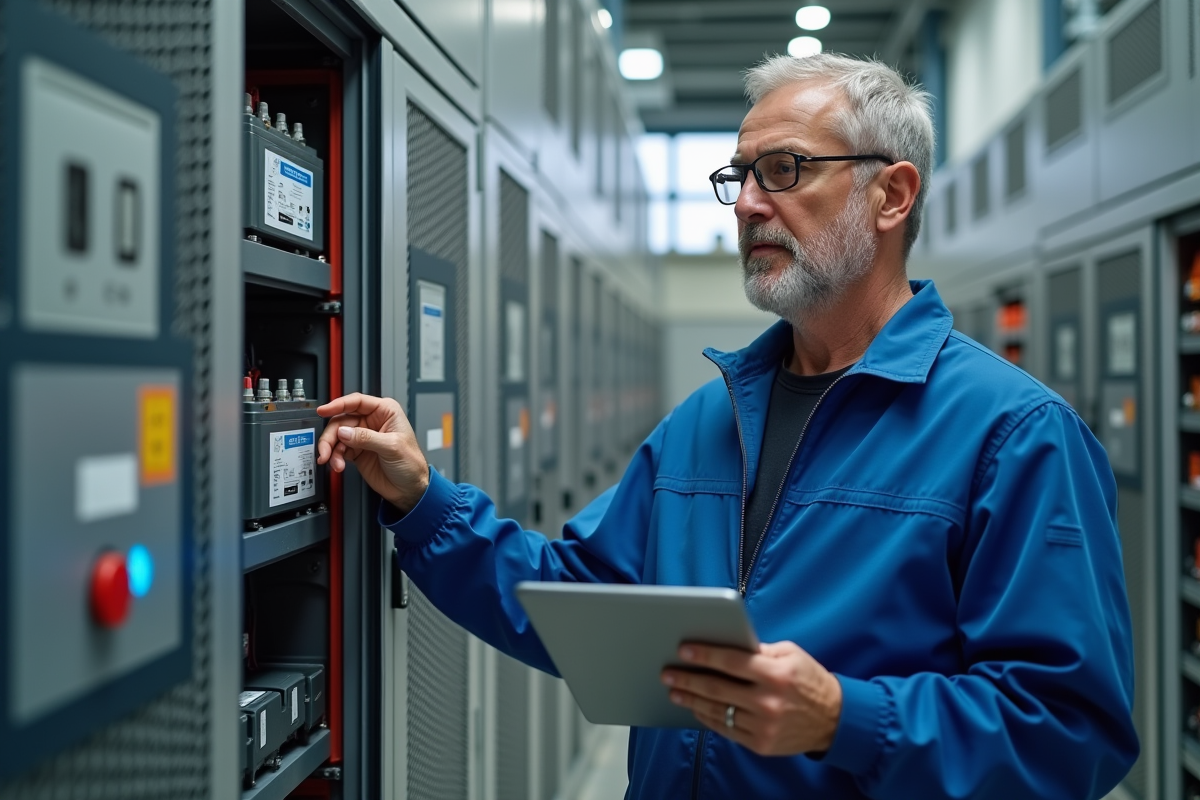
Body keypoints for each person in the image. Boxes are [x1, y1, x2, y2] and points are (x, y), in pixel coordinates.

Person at [316, 53, 1138, 798]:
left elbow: (1070, 733)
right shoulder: (713, 417)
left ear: (891, 195)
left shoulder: (1014, 435)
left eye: (784, 169)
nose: (746, 204)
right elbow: (583, 603)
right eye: (738, 175)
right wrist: (424, 502)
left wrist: (845, 720)